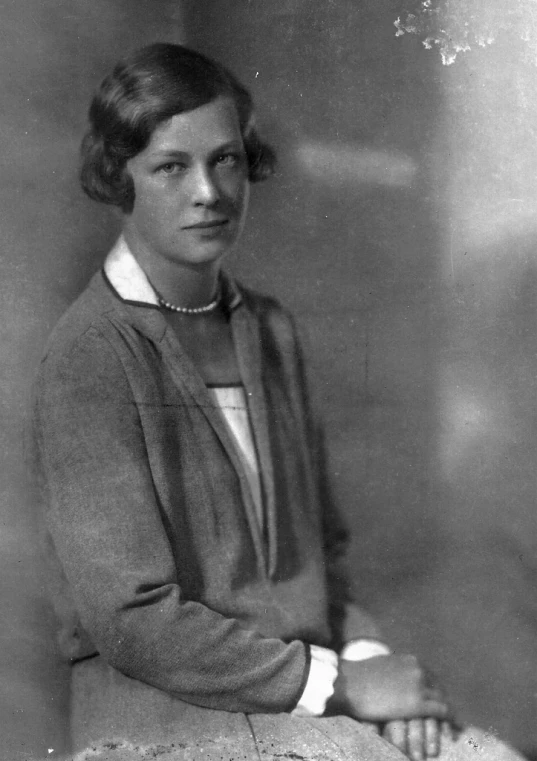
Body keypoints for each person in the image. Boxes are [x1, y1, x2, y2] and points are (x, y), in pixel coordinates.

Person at [33, 43, 522, 761]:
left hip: (303, 703)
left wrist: (374, 667)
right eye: (172, 166)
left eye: (225, 159)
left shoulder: (268, 330)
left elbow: (319, 552)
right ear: (121, 177)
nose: (208, 191)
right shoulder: (93, 354)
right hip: (161, 723)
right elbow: (133, 619)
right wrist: (344, 686)